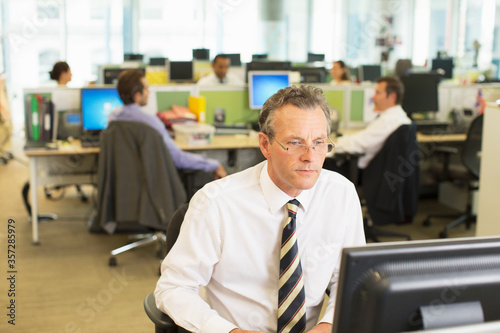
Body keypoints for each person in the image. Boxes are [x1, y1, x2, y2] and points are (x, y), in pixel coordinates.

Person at [155, 85, 365, 333]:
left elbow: (351, 278)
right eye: (295, 143)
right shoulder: (216, 203)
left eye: (319, 142)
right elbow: (173, 288)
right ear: (265, 145)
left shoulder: (341, 194)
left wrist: (329, 324)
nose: (310, 156)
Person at [108, 69, 227, 179]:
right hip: (152, 187)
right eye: (146, 88)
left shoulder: (112, 118)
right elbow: (178, 158)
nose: (148, 92)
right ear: (138, 95)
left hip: (124, 186)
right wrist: (213, 165)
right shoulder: (150, 123)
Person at [329, 75, 411, 169]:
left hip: (364, 171)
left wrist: (333, 146)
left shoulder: (387, 121)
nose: (373, 96)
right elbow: (364, 138)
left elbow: (358, 144)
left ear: (392, 97)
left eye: (378, 93)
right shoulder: (402, 117)